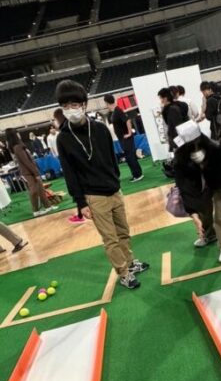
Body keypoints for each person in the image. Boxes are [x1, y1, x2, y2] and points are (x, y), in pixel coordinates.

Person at [56, 80, 149, 289]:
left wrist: (116, 180)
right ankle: (123, 273)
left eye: (74, 104)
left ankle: (130, 263)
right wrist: (81, 202)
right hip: (93, 196)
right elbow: (69, 173)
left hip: (114, 190)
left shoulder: (99, 129)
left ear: (84, 104)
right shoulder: (63, 138)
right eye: (66, 105)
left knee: (123, 231)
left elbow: (112, 158)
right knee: (110, 239)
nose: (71, 109)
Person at [174, 120, 221, 263]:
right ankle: (209, 235)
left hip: (218, 183)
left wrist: (207, 166)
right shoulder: (181, 156)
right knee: (202, 210)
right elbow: (183, 184)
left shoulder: (217, 149)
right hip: (199, 185)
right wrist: (192, 212)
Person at [5, 129, 55, 218]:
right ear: (14, 135)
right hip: (27, 172)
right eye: (17, 133)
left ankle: (48, 206)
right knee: (34, 191)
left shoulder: (19, 145)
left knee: (40, 189)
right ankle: (36, 210)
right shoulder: (17, 147)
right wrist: (36, 173)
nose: (19, 134)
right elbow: (26, 162)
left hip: (30, 171)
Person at [104, 94, 143, 183]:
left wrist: (129, 133)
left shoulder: (118, 110)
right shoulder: (114, 111)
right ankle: (136, 174)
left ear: (107, 103)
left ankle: (137, 175)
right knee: (129, 156)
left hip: (126, 138)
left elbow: (127, 120)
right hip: (122, 138)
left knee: (130, 156)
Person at [158, 87, 186, 153]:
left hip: (178, 139)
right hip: (184, 137)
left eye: (161, 98)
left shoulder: (171, 110)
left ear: (165, 98)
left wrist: (175, 142)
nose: (161, 101)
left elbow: (175, 126)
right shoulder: (179, 105)